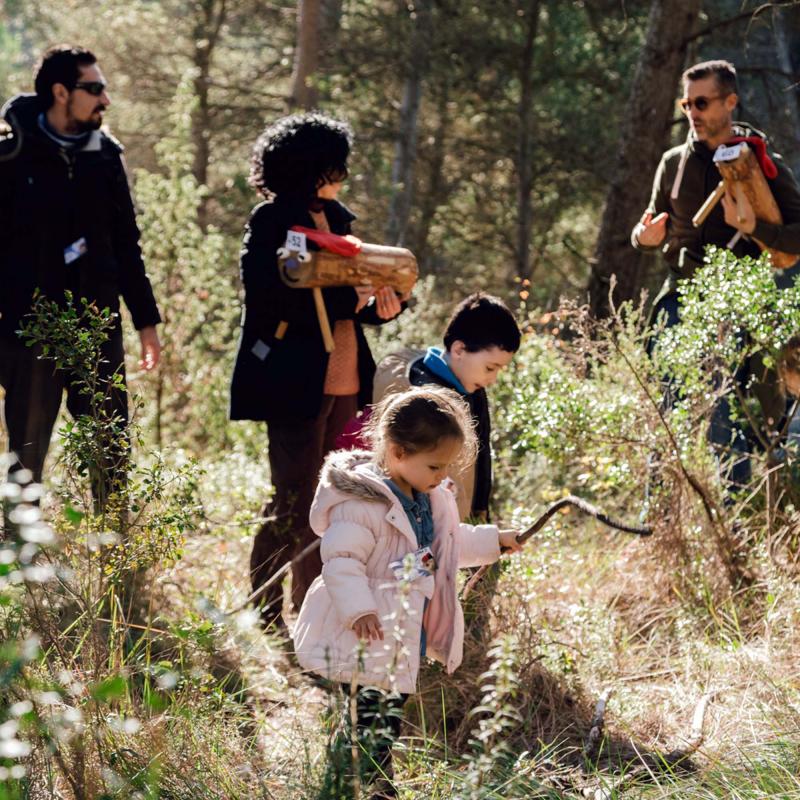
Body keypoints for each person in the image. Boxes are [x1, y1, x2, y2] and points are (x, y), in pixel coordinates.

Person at [292, 386, 523, 798]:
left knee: (387, 719)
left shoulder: (428, 498)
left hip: (400, 633)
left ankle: (356, 779)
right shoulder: (361, 504)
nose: (441, 476)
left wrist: (495, 540)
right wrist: (359, 608)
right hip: (364, 631)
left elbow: (447, 547)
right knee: (370, 720)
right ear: (398, 453)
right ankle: (374, 788)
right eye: (435, 466)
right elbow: (342, 559)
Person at [229, 112, 406, 625]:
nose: (342, 177)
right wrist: (341, 297)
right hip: (295, 384)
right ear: (309, 168)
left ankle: (314, 607)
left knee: (335, 502)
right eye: (335, 167)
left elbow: (358, 301)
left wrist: (381, 305)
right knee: (293, 498)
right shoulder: (271, 223)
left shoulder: (339, 221)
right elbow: (266, 298)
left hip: (346, 381)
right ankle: (265, 609)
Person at [0, 45, 161, 500]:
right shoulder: (11, 155)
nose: (104, 100)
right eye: (94, 89)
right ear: (60, 92)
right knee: (26, 457)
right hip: (28, 332)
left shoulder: (105, 155)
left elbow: (127, 245)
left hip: (97, 328)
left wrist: (146, 322)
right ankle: (19, 559)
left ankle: (115, 557)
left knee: (111, 450)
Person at [632, 59, 800, 491]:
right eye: (687, 103)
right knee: (668, 410)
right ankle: (659, 524)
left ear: (730, 101)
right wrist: (643, 238)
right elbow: (648, 225)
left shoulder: (762, 162)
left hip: (740, 306)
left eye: (702, 102)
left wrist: (753, 228)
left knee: (731, 416)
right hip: (680, 299)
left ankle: (735, 530)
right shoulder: (673, 163)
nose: (693, 112)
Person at [370, 292, 521, 521]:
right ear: (459, 350)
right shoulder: (419, 394)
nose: (493, 379)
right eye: (490, 368)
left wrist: (480, 517)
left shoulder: (472, 388)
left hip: (461, 527)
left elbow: (480, 460)